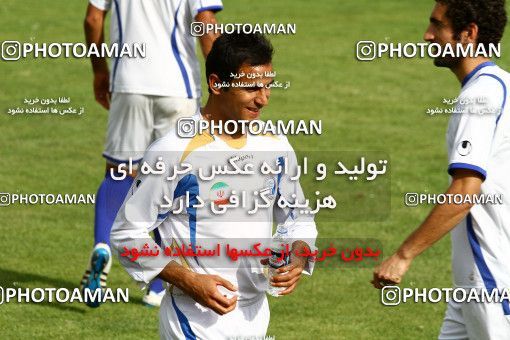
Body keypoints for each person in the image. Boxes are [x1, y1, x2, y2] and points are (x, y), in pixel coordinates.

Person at [110, 33, 318, 339]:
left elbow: (298, 220)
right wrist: (187, 280)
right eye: (250, 88)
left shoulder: (276, 146)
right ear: (217, 84)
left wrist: (298, 255)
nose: (262, 99)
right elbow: (127, 233)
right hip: (195, 320)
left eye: (267, 86)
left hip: (256, 316)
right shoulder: (175, 151)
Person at [372, 0, 510, 338]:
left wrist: (403, 255)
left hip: (489, 275)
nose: (427, 35)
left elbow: (465, 190)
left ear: (469, 33)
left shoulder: (479, 97)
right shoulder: (501, 84)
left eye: (437, 26)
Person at [81, 0, 223, 307]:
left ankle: (102, 245)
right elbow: (206, 23)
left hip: (128, 84)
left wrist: (99, 70)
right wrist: (224, 83)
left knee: (118, 172)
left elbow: (93, 20)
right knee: (171, 186)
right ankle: (158, 288)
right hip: (177, 89)